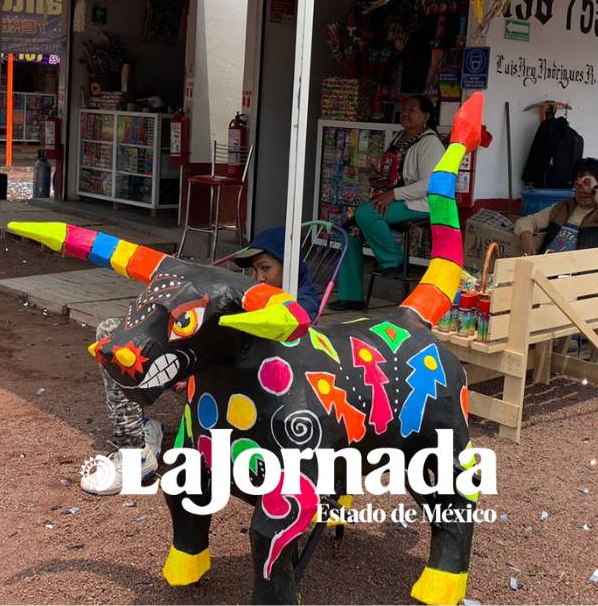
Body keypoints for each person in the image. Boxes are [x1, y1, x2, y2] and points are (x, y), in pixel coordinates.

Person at [80, 226, 323, 496]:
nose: (258, 278)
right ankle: (134, 440)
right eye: (255, 271)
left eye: (266, 268)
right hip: (200, 365)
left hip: (240, 386)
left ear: (290, 269)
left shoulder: (301, 306)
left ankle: (136, 450)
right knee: (113, 335)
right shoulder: (243, 296)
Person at [328, 95, 446, 310]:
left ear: (426, 116)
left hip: (418, 204)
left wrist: (394, 194)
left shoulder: (430, 143)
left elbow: (430, 184)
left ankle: (393, 260)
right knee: (349, 232)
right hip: (393, 200)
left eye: (412, 110)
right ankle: (351, 297)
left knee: (366, 213)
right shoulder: (400, 137)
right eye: (404, 109)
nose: (406, 114)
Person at [514, 157, 598, 254]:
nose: (583, 190)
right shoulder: (563, 207)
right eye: (578, 184)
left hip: (585, 278)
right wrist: (526, 236)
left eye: (587, 184)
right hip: (548, 271)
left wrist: (596, 190)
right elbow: (527, 221)